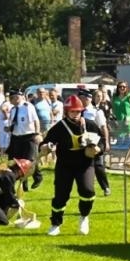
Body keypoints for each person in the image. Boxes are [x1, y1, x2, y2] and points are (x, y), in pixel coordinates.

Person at [41, 95, 106, 236]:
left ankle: (84, 216)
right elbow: (45, 142)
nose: (75, 114)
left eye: (78, 111)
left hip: (85, 164)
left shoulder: (90, 124)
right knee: (61, 195)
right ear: (66, 112)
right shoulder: (59, 127)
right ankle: (55, 224)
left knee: (87, 191)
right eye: (72, 111)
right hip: (65, 164)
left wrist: (98, 149)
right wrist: (46, 146)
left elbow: (102, 142)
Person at [4, 88, 43, 187]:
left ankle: (38, 177)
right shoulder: (13, 110)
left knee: (30, 159)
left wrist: (37, 133)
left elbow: (36, 121)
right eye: (11, 98)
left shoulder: (28, 107)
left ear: (18, 97)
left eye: (14, 98)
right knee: (17, 161)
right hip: (16, 137)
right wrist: (8, 128)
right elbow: (14, 124)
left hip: (29, 136)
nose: (12, 100)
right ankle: (23, 182)